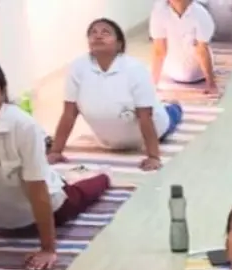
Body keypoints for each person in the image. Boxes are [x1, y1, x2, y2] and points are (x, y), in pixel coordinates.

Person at [0, 57, 112, 270]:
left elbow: (38, 190)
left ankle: (104, 176)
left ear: (2, 89)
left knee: (80, 193)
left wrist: (48, 248)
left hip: (47, 209)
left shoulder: (23, 126)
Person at [47, 18, 185, 172]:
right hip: (106, 141)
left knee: (170, 114)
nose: (98, 36)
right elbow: (69, 113)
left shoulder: (135, 69)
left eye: (105, 32)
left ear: (119, 44)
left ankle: (175, 107)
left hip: (150, 131)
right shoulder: (77, 68)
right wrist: (55, 151)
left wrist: (153, 156)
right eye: (93, 33)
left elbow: (145, 116)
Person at [150, 0, 219, 94]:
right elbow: (159, 51)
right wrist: (153, 84)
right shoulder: (159, 13)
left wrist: (211, 83)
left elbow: (202, 51)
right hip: (172, 71)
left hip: (198, 74)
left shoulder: (201, 14)